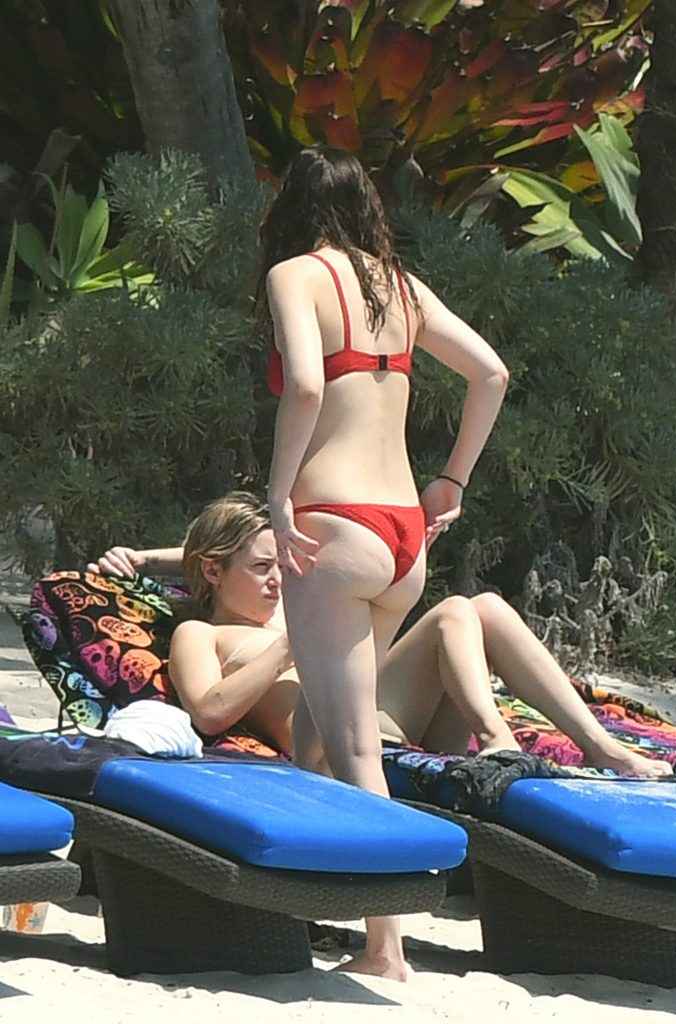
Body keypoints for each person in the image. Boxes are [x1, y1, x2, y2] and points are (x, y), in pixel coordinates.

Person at [254, 145, 516, 979]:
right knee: (313, 734)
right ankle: (301, 900)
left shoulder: (297, 274)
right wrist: (451, 481)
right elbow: (490, 373)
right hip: (402, 533)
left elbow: (304, 387)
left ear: (292, 208)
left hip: (333, 526)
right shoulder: (399, 286)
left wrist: (277, 493)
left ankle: (384, 947)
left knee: (355, 747)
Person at [90, 494, 673, 773]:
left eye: (281, 566)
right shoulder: (200, 634)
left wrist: (145, 557)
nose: (277, 580)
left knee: (481, 608)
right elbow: (210, 712)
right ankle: (497, 741)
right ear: (214, 573)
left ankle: (593, 746)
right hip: (327, 741)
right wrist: (294, 644)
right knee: (451, 614)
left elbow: (235, 554)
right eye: (262, 569)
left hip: (380, 714)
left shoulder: (286, 602)